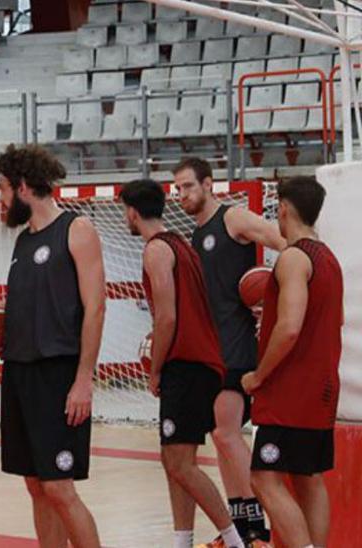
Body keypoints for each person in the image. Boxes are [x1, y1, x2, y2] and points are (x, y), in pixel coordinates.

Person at [0, 144, 103, 548]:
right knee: (36, 485)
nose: (1, 197)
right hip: (19, 373)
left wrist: (84, 380)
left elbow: (96, 308)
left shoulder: (76, 230)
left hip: (57, 373)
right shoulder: (22, 242)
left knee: (60, 489)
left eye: (3, 187)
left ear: (24, 186)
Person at [120, 180, 245, 548]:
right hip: (203, 362)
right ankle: (182, 540)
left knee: (180, 464)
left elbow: (168, 318)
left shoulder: (157, 250)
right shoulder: (182, 244)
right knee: (173, 459)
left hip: (186, 364)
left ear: (131, 211)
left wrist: (155, 367)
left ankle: (235, 540)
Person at [174, 157, 283, 545]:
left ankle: (257, 529)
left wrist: (283, 285)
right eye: (178, 189)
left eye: (188, 186)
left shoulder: (233, 218)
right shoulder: (194, 234)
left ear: (208, 184)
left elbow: (283, 241)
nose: (181, 194)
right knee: (223, 438)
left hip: (235, 343)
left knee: (226, 433)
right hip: (209, 348)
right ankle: (241, 525)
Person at [241, 176, 342, 548]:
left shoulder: (293, 258)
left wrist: (258, 375)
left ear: (282, 208)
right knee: (308, 477)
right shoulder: (329, 259)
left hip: (290, 392)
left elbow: (289, 328)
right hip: (322, 389)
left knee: (263, 478)